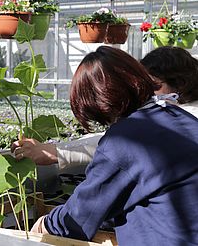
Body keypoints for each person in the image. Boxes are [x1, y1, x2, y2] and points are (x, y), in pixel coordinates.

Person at [29, 46, 198, 245]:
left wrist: (47, 224)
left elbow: (78, 218)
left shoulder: (124, 140)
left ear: (100, 103)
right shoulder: (178, 117)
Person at [11, 46, 198, 168]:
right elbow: (111, 139)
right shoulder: (171, 115)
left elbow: (123, 142)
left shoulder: (185, 117)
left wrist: (56, 152)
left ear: (180, 84)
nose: (144, 90)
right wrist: (55, 148)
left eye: (153, 85)